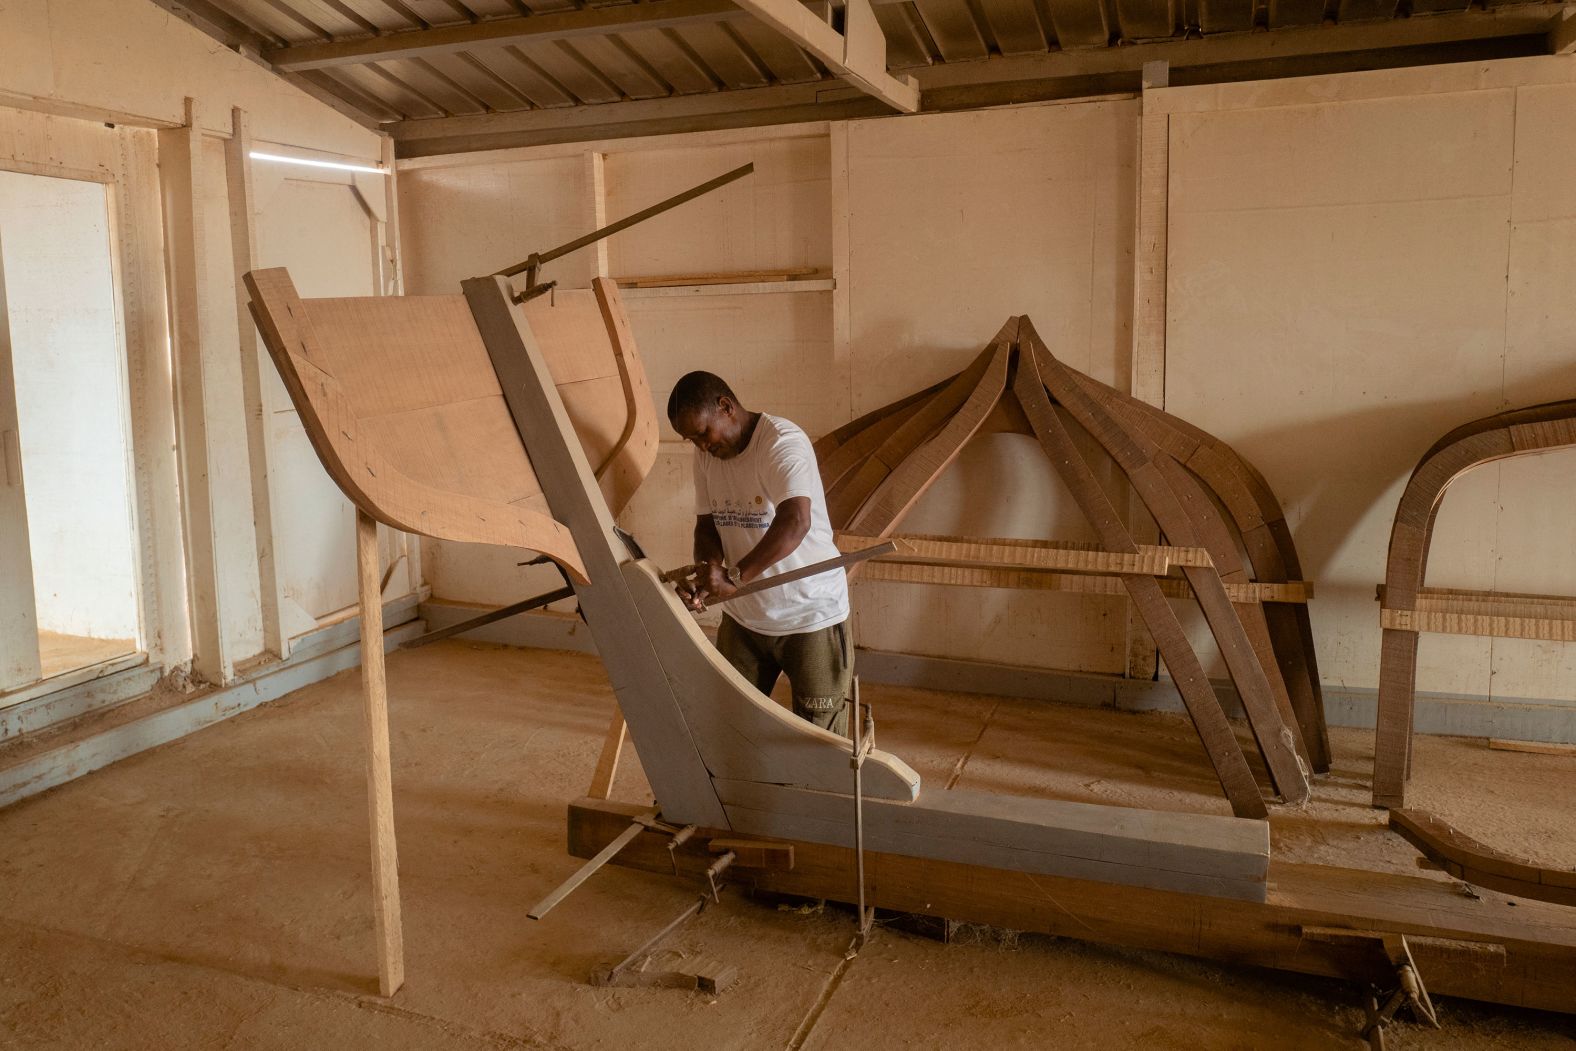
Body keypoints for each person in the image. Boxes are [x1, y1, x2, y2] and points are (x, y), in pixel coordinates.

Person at [667, 371, 851, 737]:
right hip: (745, 619)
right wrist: (709, 572)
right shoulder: (706, 457)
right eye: (692, 440)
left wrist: (734, 578)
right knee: (730, 727)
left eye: (703, 433)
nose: (702, 446)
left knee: (817, 740)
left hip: (809, 613)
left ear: (726, 407)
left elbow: (795, 521)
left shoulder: (781, 443)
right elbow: (707, 524)